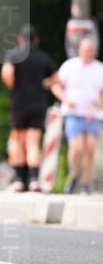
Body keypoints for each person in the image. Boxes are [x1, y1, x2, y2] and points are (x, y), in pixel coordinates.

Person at [1, 25, 58, 192]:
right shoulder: (44, 57)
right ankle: (33, 179)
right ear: (36, 40)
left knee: (18, 139)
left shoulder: (14, 55)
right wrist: (43, 85)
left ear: (20, 39)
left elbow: (7, 74)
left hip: (20, 103)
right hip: (38, 103)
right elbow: (56, 78)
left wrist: (14, 85)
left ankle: (19, 179)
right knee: (33, 141)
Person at [51, 37, 103, 195]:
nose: (89, 53)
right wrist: (66, 99)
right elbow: (55, 85)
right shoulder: (69, 66)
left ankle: (85, 184)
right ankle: (74, 175)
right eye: (86, 50)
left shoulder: (99, 68)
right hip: (73, 114)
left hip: (93, 114)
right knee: (76, 148)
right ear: (80, 50)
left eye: (91, 50)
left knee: (90, 149)